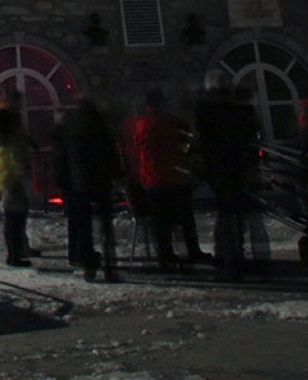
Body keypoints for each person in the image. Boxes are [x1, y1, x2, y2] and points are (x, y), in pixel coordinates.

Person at [125, 88, 206, 272]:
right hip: (175, 177)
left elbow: (137, 149)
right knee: (185, 218)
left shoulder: (140, 125)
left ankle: (165, 254)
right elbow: (185, 146)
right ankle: (192, 250)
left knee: (160, 222)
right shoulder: (172, 122)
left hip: (152, 179)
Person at [194, 74, 259, 280]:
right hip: (236, 167)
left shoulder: (206, 112)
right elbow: (250, 134)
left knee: (226, 214)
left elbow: (203, 143)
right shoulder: (238, 110)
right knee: (233, 214)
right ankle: (233, 255)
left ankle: (228, 258)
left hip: (219, 168)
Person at [51, 96, 123, 281]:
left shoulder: (69, 126)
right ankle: (110, 266)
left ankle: (89, 268)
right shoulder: (99, 123)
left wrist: (63, 179)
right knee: (105, 226)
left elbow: (62, 156)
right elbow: (110, 151)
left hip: (79, 182)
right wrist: (117, 175)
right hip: (101, 180)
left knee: (84, 227)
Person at [0, 104, 34, 267]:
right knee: (15, 219)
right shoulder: (7, 141)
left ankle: (16, 251)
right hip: (12, 181)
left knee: (14, 219)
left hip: (9, 180)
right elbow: (12, 161)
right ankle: (14, 255)